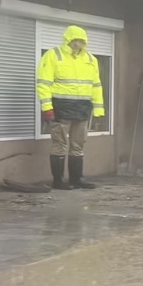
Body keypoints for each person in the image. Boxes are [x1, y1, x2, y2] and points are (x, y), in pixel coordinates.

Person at [37, 25, 105, 190]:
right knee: (59, 144)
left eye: (81, 41)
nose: (77, 45)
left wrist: (98, 109)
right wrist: (47, 108)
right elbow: (43, 83)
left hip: (82, 108)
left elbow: (96, 85)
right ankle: (58, 181)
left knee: (78, 145)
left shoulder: (90, 59)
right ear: (68, 40)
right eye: (75, 41)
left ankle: (76, 179)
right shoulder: (53, 55)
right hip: (60, 107)